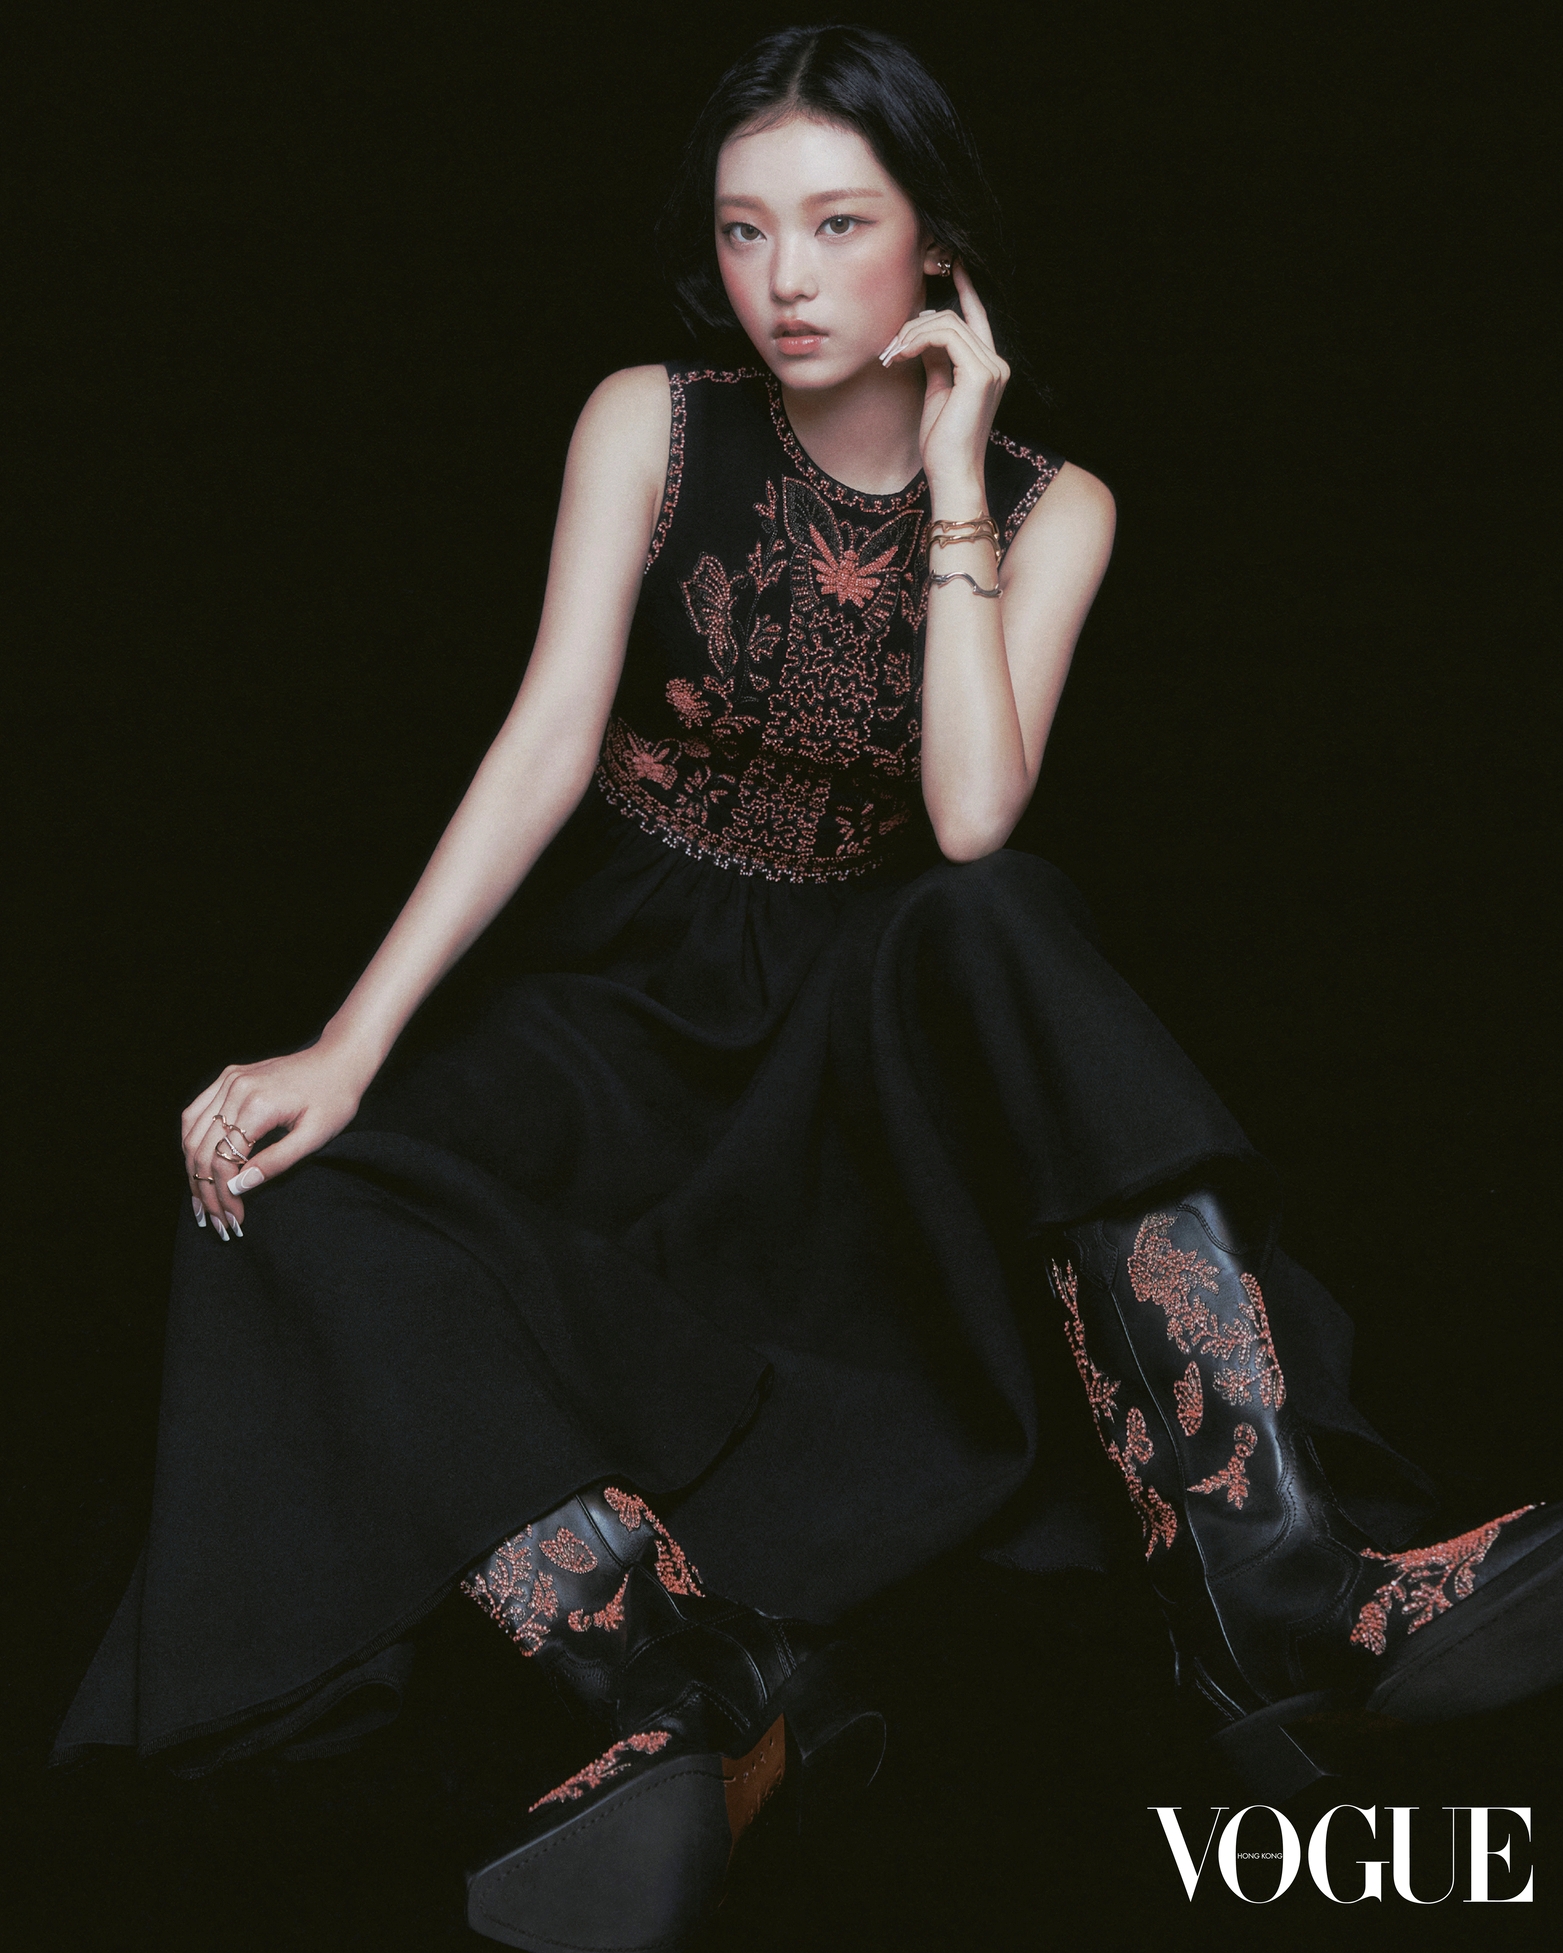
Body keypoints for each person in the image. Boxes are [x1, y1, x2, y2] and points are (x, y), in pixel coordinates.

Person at [51, 22, 1563, 1952]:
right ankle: (683, 1678)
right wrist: (349, 1045)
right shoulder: (650, 420)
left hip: (863, 1036)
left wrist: (954, 476)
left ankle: (1273, 1571)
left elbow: (970, 816)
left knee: (997, 913)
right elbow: (546, 739)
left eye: (839, 225)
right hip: (618, 993)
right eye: (744, 228)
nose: (782, 277)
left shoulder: (1059, 505)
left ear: (937, 247)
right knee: (281, 1183)